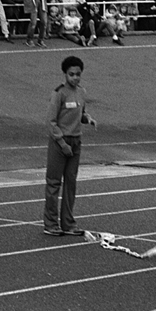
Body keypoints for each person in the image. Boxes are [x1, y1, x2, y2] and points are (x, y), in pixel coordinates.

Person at [42, 56, 93, 236]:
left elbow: (81, 113)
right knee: (54, 183)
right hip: (60, 142)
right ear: (65, 74)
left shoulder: (81, 92)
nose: (75, 78)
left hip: (76, 141)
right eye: (71, 74)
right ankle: (50, 223)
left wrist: (87, 119)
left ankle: (68, 223)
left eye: (78, 74)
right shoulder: (59, 93)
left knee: (71, 183)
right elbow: (51, 121)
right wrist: (62, 143)